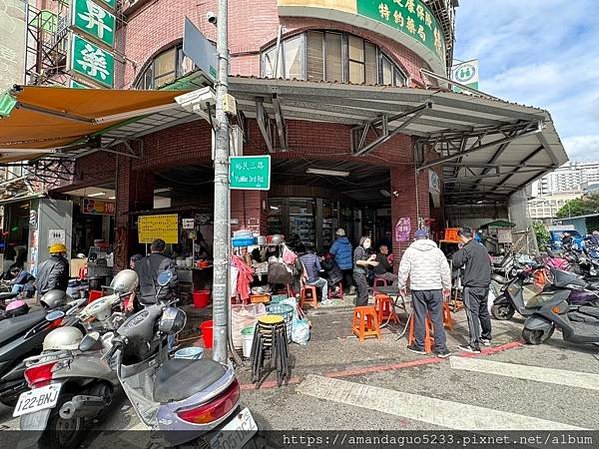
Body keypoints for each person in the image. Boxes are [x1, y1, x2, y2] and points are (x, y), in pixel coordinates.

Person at [397, 229, 452, 358]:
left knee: (420, 316)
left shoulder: (410, 252)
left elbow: (403, 270)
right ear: (427, 238)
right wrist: (447, 286)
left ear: (415, 239)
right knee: (437, 318)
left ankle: (420, 345)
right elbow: (445, 270)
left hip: (418, 289)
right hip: (435, 288)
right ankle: (441, 348)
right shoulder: (437, 251)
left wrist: (402, 286)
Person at [452, 226, 492, 353]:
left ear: (462, 237)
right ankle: (486, 337)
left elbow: (456, 262)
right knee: (483, 311)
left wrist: (460, 249)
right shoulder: (482, 248)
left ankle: (474, 345)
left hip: (472, 287)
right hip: (484, 285)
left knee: (472, 314)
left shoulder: (467, 248)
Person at [134, 238, 178, 304]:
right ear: (164, 249)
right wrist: (176, 294)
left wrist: (139, 296)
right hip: (163, 297)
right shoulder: (167, 262)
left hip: (144, 298)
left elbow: (135, 283)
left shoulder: (139, 262)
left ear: (151, 248)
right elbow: (173, 283)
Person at [353, 236, 378, 307]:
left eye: (370, 242)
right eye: (367, 241)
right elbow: (358, 261)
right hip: (358, 274)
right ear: (362, 241)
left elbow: (365, 262)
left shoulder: (364, 250)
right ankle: (361, 311)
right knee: (364, 294)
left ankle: (360, 311)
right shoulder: (359, 249)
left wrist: (370, 259)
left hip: (362, 273)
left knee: (361, 293)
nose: (369, 243)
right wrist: (370, 263)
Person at [330, 228, 354, 293]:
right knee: (348, 275)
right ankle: (351, 286)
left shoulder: (336, 243)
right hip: (349, 264)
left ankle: (338, 288)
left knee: (337, 275)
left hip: (339, 264)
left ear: (338, 235)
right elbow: (351, 250)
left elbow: (331, 252)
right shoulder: (348, 242)